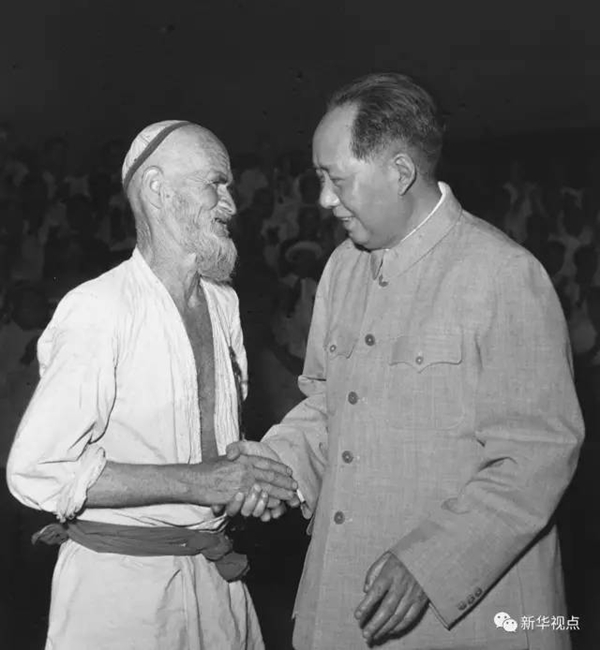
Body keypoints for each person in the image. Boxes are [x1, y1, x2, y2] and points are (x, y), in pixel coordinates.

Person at [225, 73, 584, 649]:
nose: (323, 199)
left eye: (336, 179)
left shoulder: (503, 275)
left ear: (399, 172)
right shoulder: (343, 267)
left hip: (466, 620)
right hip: (343, 595)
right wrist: (274, 465)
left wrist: (432, 562)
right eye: (319, 179)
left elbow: (537, 454)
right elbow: (329, 406)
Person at [6, 120, 300, 650]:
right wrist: (201, 483)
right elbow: (37, 470)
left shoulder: (223, 304)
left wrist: (245, 485)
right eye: (216, 183)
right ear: (158, 189)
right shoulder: (99, 308)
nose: (231, 204)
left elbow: (211, 455)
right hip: (121, 598)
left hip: (218, 588)